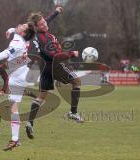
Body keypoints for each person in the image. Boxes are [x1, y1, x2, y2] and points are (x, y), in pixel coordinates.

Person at [23, 6, 84, 139]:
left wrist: (56, 12)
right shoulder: (42, 38)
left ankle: (30, 122)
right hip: (54, 65)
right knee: (77, 81)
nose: (45, 24)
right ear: (37, 27)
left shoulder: (41, 30)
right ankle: (73, 112)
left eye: (44, 21)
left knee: (41, 96)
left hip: (44, 68)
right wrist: (71, 54)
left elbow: (47, 20)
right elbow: (52, 55)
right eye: (41, 24)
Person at [0, 23, 35, 151]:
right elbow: (16, 30)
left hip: (18, 77)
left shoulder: (18, 43)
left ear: (24, 33)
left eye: (23, 26)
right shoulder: (21, 36)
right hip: (21, 72)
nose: (20, 24)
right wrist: (10, 29)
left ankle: (16, 139)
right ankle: (15, 139)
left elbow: (6, 53)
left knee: (13, 108)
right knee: (13, 108)